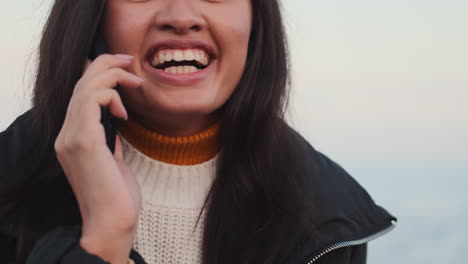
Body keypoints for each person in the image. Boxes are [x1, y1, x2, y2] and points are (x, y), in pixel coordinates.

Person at [0, 0, 396, 263]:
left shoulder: (328, 216)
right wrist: (103, 239)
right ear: (92, 18)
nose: (181, 15)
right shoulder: (10, 183)